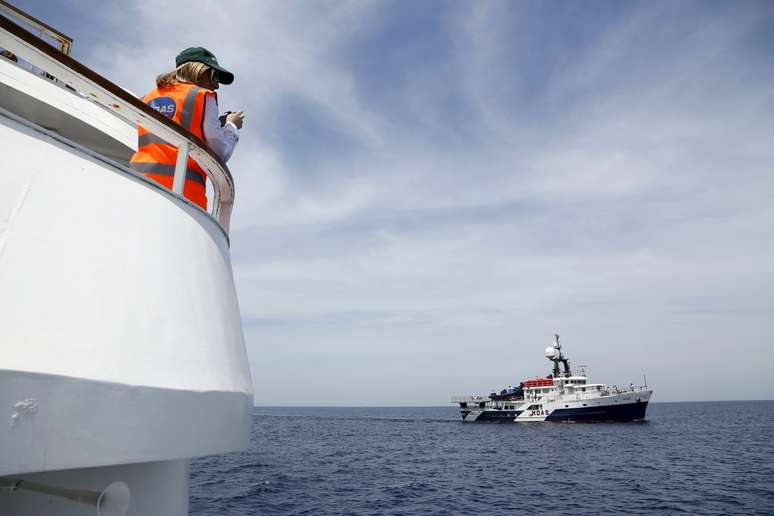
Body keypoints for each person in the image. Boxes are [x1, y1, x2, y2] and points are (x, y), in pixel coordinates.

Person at [129, 47, 244, 210]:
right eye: (215, 76)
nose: (216, 85)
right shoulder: (203, 96)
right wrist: (232, 126)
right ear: (199, 70)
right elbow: (220, 151)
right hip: (183, 198)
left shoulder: (147, 98)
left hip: (137, 185)